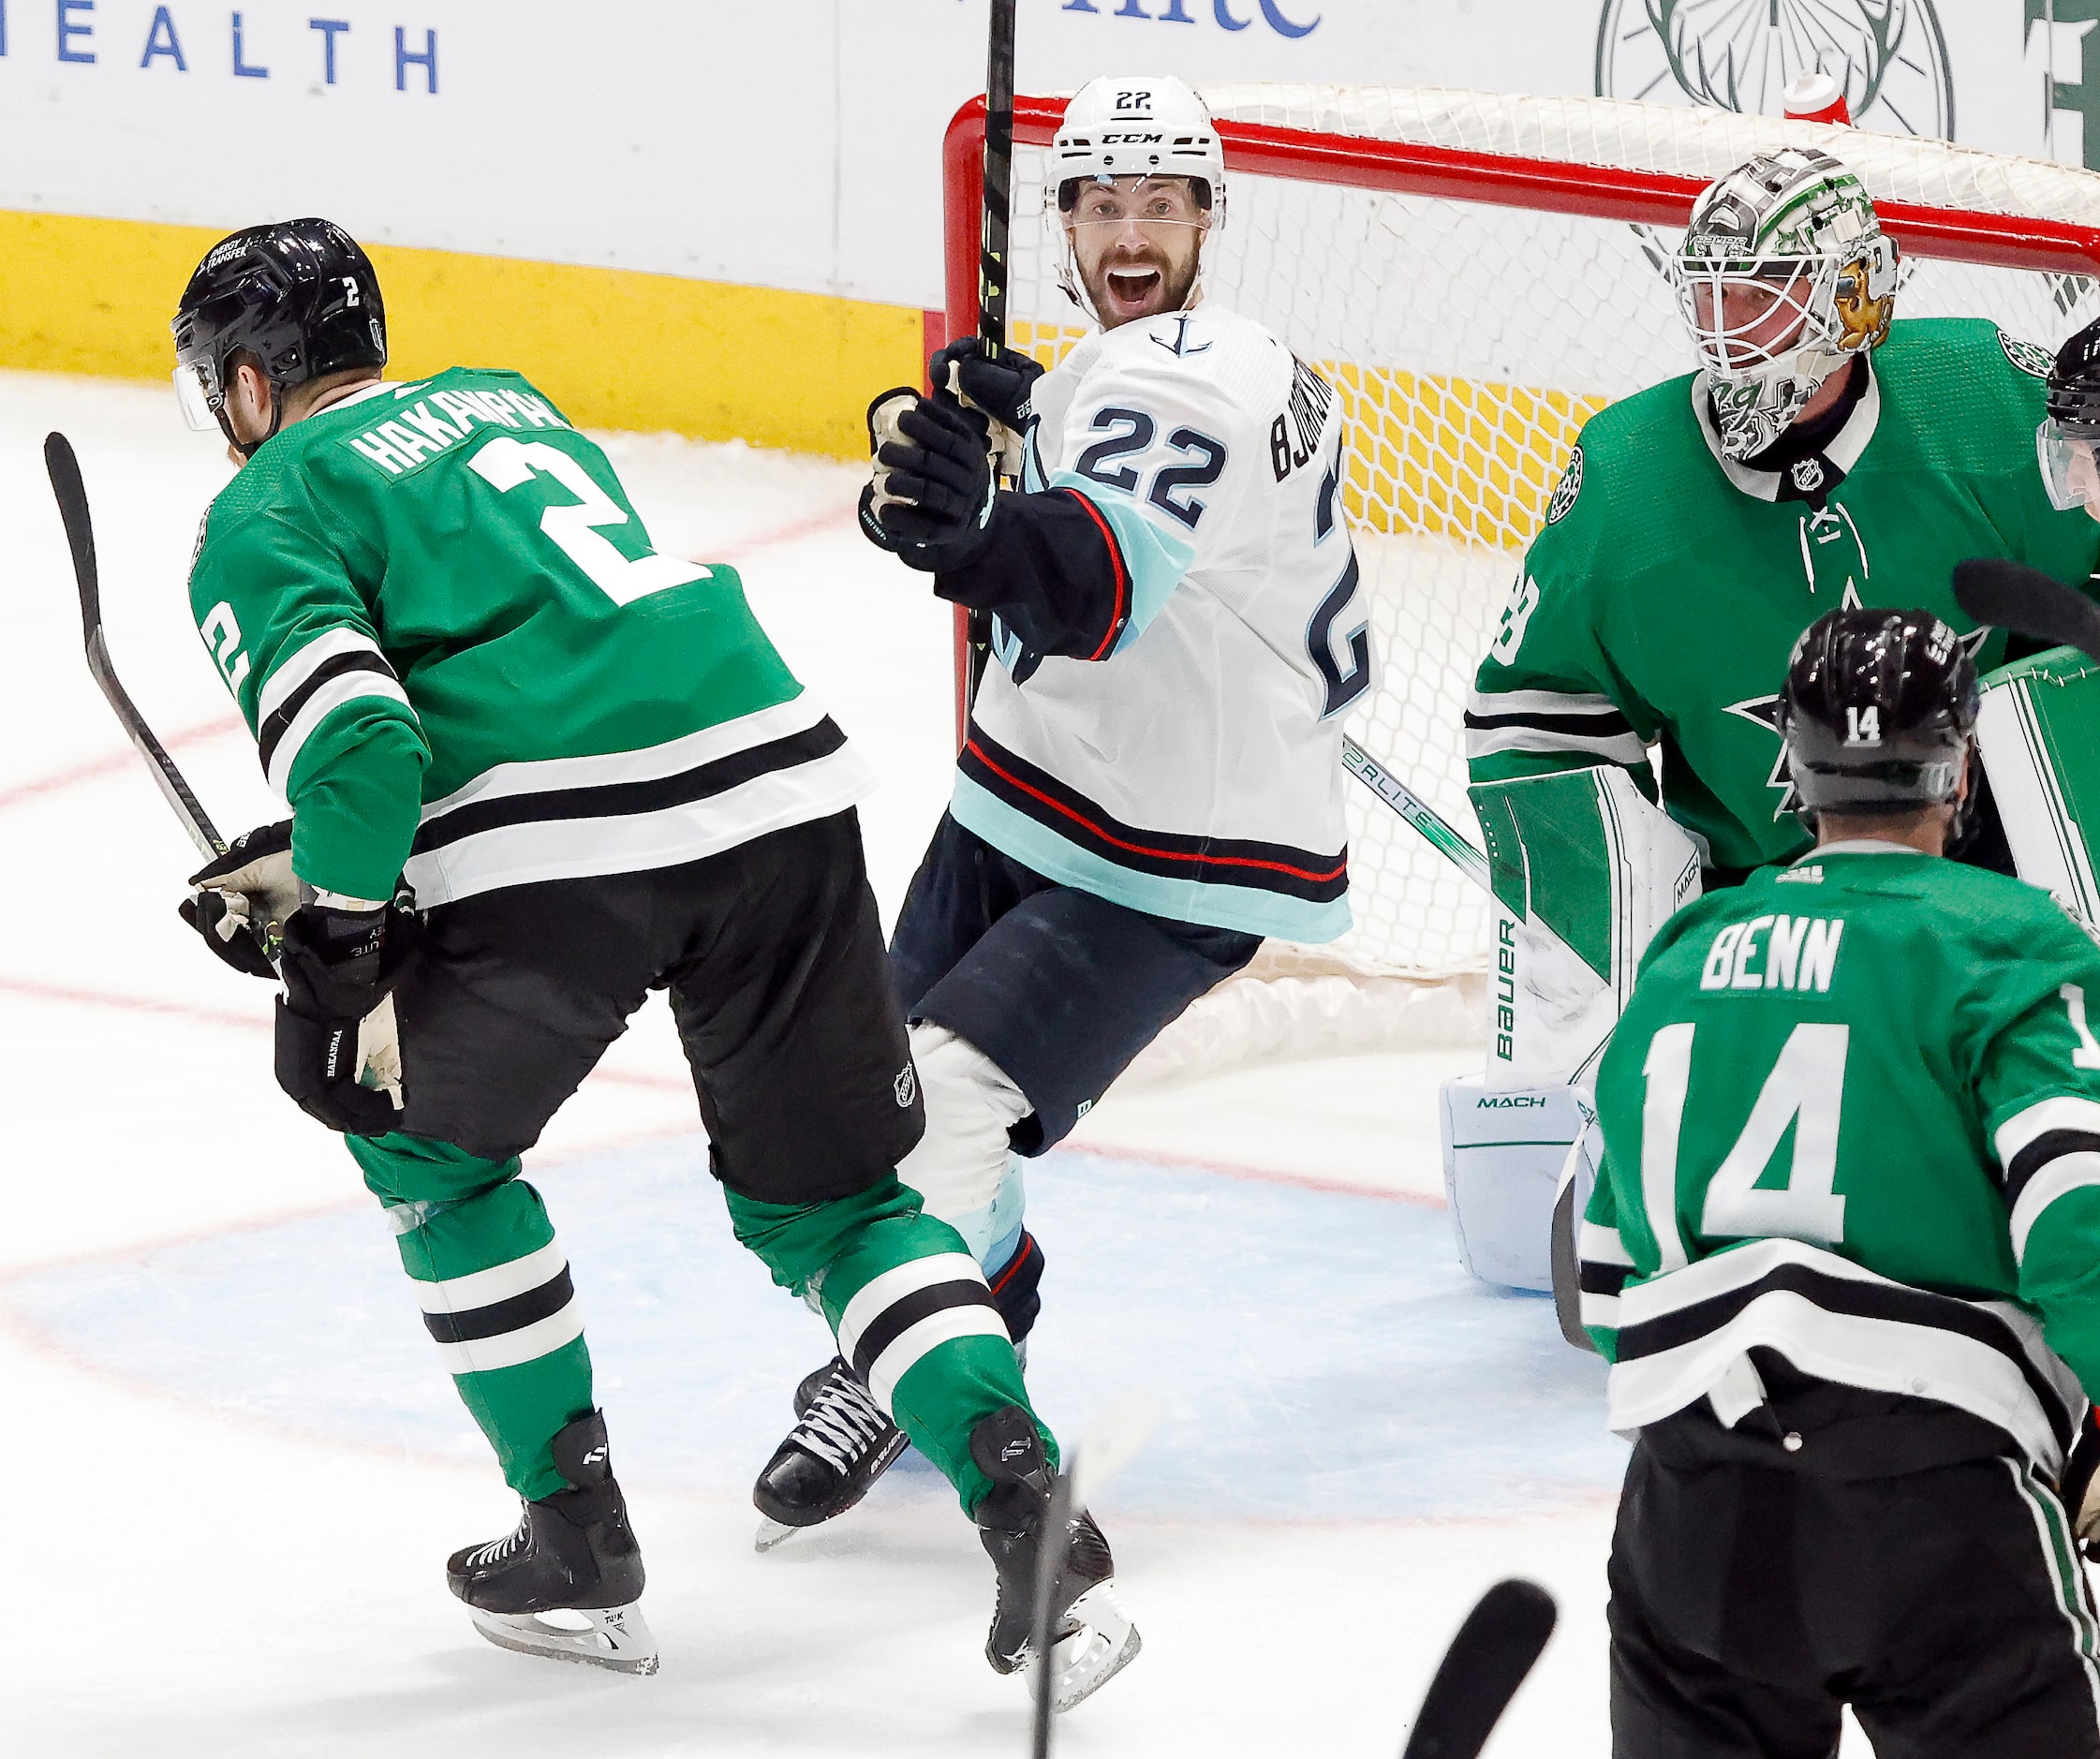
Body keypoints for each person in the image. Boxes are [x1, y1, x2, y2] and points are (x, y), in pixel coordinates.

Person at [169, 216, 1138, 1707]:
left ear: (244, 381)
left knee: (430, 1157)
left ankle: (576, 1537)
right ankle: (1027, 1517)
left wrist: (336, 959)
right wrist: (343, 855)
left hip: (568, 855)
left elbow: (367, 737)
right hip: (777, 778)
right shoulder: (508, 397)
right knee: (839, 1210)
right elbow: (553, 671)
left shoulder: (262, 509)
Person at [748, 73, 1369, 1539]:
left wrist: (972, 539)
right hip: (1030, 787)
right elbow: (1092, 492)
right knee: (867, 1098)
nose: (1130, 231)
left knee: (946, 1105)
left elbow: (1098, 580)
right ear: (1064, 221)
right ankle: (975, 1304)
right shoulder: (1126, 368)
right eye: (1101, 202)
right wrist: (1007, 445)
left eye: (1162, 202)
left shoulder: (1192, 374)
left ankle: (908, 1375)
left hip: (1177, 850)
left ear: (1209, 217)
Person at [1447, 144, 2100, 1296]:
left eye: (1760, 290)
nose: (1722, 322)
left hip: (1996, 864)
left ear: (1852, 298)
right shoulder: (1627, 475)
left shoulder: (1977, 397)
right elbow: (1530, 724)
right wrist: (1636, 941)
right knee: (1640, 1266)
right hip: (1768, 903)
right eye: (1707, 289)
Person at [1579, 605, 2100, 1756]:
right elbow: (2077, 1209)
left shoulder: (1681, 953)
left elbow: (1603, 1264)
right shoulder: (2007, 939)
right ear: (1958, 768)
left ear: (1793, 767)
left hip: (1690, 1495)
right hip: (1933, 1487)